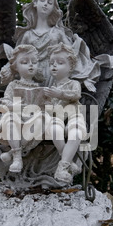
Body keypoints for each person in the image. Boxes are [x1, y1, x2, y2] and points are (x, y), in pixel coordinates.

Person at [0, 45, 49, 173]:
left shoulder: (40, 87)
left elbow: (45, 106)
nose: (30, 65)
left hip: (33, 120)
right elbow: (5, 103)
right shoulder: (13, 85)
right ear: (16, 66)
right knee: (10, 118)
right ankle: (17, 157)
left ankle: (12, 153)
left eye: (34, 62)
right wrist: (15, 107)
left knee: (41, 120)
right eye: (24, 62)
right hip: (16, 119)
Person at [43, 43, 87, 184]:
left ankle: (62, 167)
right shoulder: (51, 89)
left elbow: (75, 95)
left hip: (74, 116)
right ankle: (67, 161)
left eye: (60, 63)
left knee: (76, 132)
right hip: (58, 119)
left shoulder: (74, 84)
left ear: (71, 67)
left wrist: (60, 94)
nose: (54, 66)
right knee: (54, 129)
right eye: (51, 63)